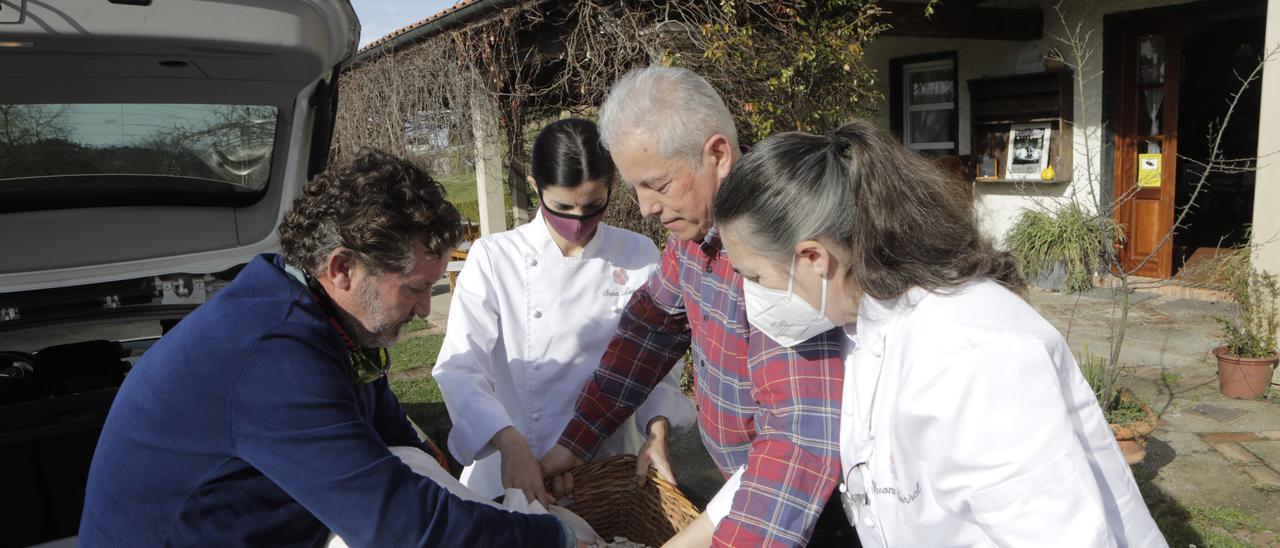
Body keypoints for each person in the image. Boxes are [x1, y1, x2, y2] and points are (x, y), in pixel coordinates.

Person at [79, 148, 585, 547]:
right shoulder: (272, 356)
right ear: (342, 268)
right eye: (413, 289)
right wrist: (553, 537)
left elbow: (399, 442)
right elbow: (400, 527)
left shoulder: (323, 315)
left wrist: (491, 509)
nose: (423, 311)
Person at [700, 120, 1166, 546]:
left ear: (813, 259)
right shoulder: (858, 323)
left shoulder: (970, 355)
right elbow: (798, 441)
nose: (749, 296)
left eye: (756, 278)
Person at [539, 66, 854, 547]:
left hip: (801, 514)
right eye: (636, 188)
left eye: (658, 186)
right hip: (739, 486)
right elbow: (651, 328)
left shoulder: (772, 248)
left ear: (718, 155)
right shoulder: (691, 237)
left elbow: (798, 443)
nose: (645, 207)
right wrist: (576, 440)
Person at [432, 118, 694, 505]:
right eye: (562, 207)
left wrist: (657, 431)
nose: (577, 222)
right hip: (514, 467)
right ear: (536, 186)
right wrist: (509, 442)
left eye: (593, 206)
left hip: (610, 467)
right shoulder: (494, 258)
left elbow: (655, 369)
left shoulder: (637, 255)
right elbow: (461, 367)